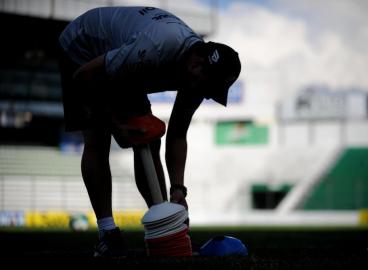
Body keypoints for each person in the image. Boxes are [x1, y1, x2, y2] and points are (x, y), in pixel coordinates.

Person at [58, 6, 241, 258]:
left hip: (125, 51)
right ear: (197, 64)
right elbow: (83, 77)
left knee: (148, 137)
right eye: (209, 87)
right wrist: (117, 123)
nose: (206, 94)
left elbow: (177, 133)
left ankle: (165, 229)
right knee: (98, 138)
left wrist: (178, 189)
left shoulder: (198, 73)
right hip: (82, 48)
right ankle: (107, 234)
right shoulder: (155, 49)